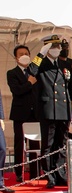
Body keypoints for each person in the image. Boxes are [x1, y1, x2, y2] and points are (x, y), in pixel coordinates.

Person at [28, 36, 72, 188]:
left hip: (63, 109)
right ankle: (49, 175)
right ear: (47, 48)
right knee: (48, 145)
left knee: (61, 144)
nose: (57, 48)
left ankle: (60, 173)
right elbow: (30, 71)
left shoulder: (65, 64)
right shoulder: (40, 64)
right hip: (48, 109)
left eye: (58, 45)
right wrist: (40, 54)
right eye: (53, 46)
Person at [7, 44, 38, 183]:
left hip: (35, 113)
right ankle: (19, 172)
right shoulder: (12, 73)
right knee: (19, 143)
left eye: (26, 53)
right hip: (20, 113)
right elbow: (17, 91)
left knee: (35, 144)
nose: (24, 56)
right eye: (21, 54)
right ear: (16, 57)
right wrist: (29, 83)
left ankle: (35, 172)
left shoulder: (34, 71)